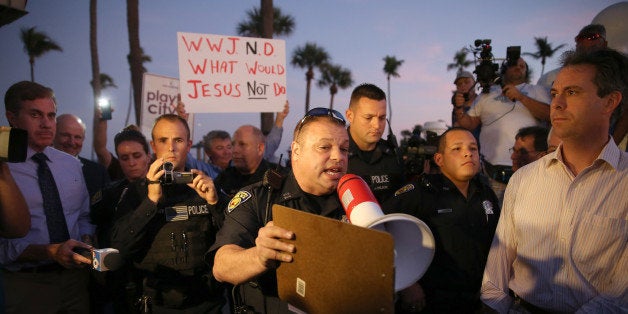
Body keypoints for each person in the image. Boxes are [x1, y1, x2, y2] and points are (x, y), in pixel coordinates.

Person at [481, 49, 628, 312]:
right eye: (554, 94)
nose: (556, 104)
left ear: (610, 102)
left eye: (572, 92)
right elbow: (498, 267)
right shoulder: (524, 179)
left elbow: (620, 294)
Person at [210, 107, 349, 313]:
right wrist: (259, 256)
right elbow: (221, 266)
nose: (338, 156)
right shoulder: (259, 198)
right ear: (296, 151)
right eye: (324, 147)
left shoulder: (358, 202)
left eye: (344, 149)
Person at [110, 114, 226, 313]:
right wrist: (151, 201)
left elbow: (235, 239)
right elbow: (118, 248)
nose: (171, 148)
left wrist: (215, 203)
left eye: (178, 140)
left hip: (207, 302)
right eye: (163, 140)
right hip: (156, 304)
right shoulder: (136, 193)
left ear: (189, 145)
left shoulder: (206, 186)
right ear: (153, 146)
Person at [0, 81, 94, 313]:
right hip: (26, 286)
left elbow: (82, 216)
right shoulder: (4, 169)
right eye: (35, 114)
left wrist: (87, 239)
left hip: (76, 282)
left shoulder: (71, 165)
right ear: (12, 117)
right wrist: (49, 252)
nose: (46, 124)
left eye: (51, 116)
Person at [383, 127, 499, 313]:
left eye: (473, 148)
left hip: (478, 300)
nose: (468, 154)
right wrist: (406, 284)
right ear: (439, 159)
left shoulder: (486, 194)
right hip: (432, 302)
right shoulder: (419, 193)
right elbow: (381, 233)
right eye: (457, 149)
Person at [455, 57, 551, 205]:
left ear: (526, 71)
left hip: (531, 173)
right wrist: (459, 109)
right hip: (492, 176)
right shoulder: (486, 94)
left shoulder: (538, 90)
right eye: (514, 64)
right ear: (504, 69)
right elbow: (469, 124)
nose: (518, 67)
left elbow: (550, 115)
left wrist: (520, 97)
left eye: (522, 66)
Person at [89, 126, 152, 313]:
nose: (131, 162)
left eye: (137, 155)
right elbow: (96, 233)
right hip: (120, 281)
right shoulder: (110, 195)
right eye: (125, 158)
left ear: (148, 156)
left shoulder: (167, 190)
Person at [346, 83, 405, 204]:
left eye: (382, 118)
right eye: (368, 117)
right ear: (350, 116)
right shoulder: (334, 154)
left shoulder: (394, 156)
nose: (377, 125)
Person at [54, 113, 110, 197]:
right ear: (53, 135)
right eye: (66, 135)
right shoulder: (37, 168)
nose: (72, 142)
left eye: (77, 137)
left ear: (83, 139)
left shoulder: (98, 173)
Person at [214, 124, 277, 198]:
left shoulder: (277, 176)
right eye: (233, 144)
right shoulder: (223, 179)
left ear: (260, 148)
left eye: (242, 144)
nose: (235, 150)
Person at [451, 71, 480, 140]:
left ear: (474, 84)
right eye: (459, 84)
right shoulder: (456, 109)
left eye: (467, 82)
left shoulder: (484, 101)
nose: (463, 85)